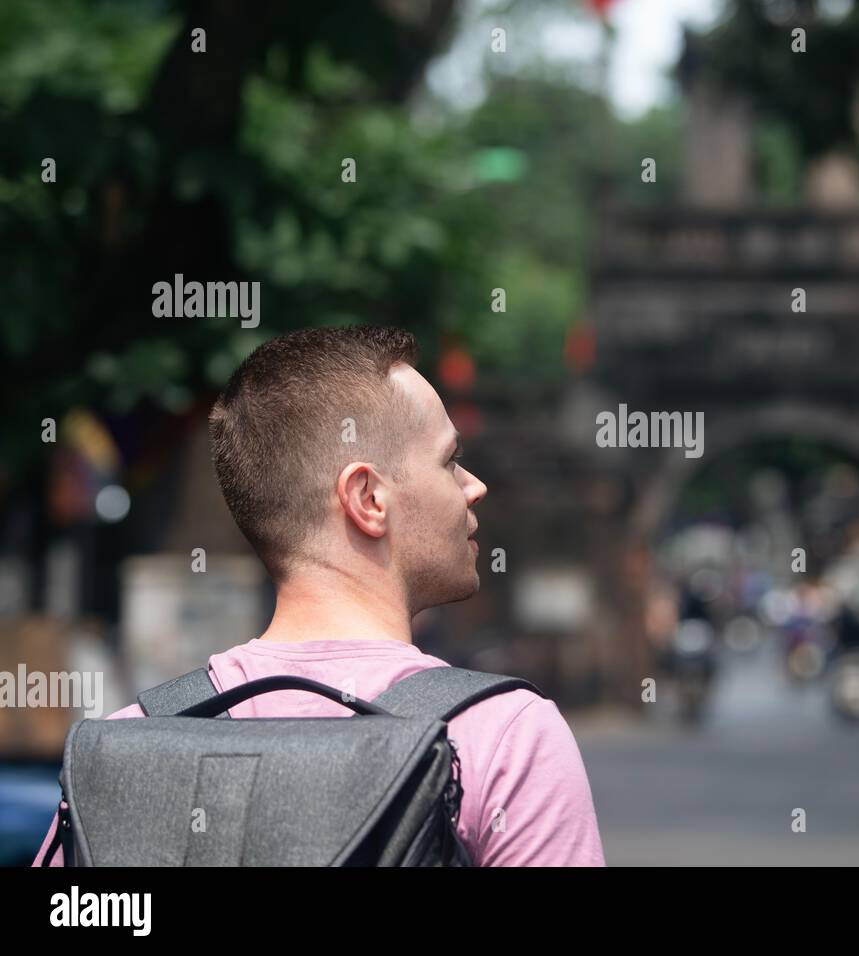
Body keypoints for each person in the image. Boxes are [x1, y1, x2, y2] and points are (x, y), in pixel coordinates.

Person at [33, 327, 605, 867]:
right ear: (368, 499)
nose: (473, 486)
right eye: (449, 461)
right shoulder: (501, 736)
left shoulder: (127, 746)